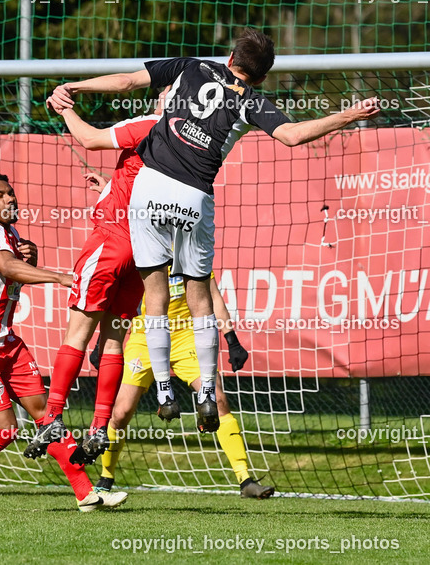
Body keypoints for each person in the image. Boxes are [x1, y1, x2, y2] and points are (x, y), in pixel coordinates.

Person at [48, 28, 379, 431]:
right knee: (199, 296)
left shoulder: (190, 67)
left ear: (230, 57)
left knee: (155, 295)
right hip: (194, 196)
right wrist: (349, 115)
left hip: (149, 188)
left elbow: (126, 82)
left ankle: (164, 390)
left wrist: (74, 87)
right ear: (262, 77)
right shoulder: (251, 100)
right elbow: (292, 136)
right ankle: (206, 390)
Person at [0, 173, 126, 512]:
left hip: (7, 345)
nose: (10, 199)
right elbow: (8, 268)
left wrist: (32, 258)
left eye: (11, 193)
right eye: (0, 195)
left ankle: (86, 493)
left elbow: (13, 275)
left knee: (47, 416)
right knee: (4, 429)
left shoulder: (11, 235)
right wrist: (58, 276)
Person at [25, 87, 168, 467]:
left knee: (77, 334)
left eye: (167, 88)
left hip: (110, 242)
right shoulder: (193, 143)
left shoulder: (153, 124)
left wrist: (64, 109)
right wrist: (110, 188)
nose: (161, 92)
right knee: (114, 340)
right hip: (144, 252)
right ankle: (99, 427)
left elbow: (89, 138)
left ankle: (52, 417)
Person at [93, 266, 274, 500]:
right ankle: (106, 478)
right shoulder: (140, 254)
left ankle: (245, 480)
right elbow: (121, 302)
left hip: (186, 337)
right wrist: (101, 343)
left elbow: (213, 296)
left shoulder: (190, 252)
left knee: (217, 400)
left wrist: (232, 339)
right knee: (121, 412)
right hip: (144, 337)